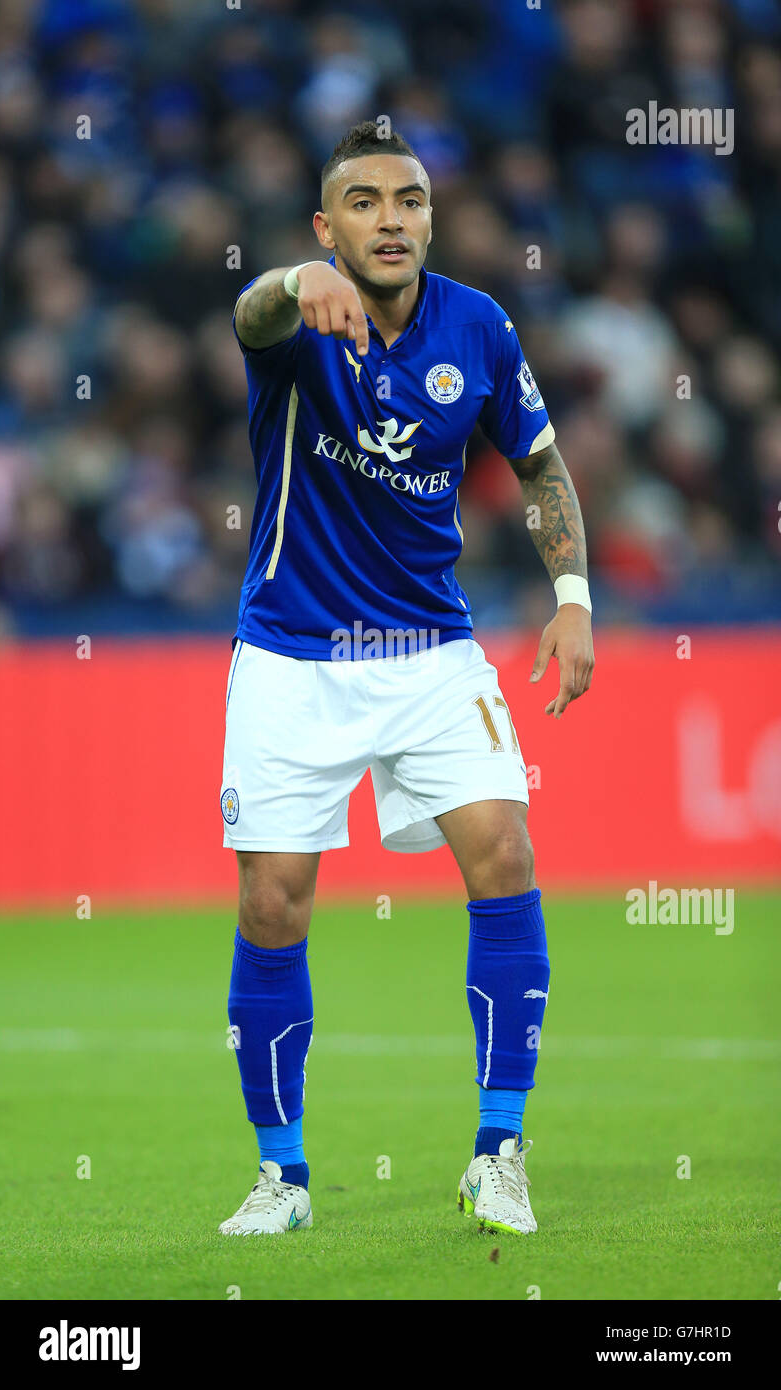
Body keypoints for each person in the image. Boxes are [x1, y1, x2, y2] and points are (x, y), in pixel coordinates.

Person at [218, 121, 594, 1237]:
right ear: (329, 226)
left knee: (508, 851)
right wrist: (293, 280)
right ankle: (282, 1178)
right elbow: (251, 315)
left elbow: (539, 464)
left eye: (412, 199)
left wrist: (572, 600)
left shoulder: (476, 325)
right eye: (368, 202)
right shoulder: (297, 319)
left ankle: (499, 1150)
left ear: (432, 216)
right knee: (272, 904)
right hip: (292, 654)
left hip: (430, 649)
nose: (394, 219)